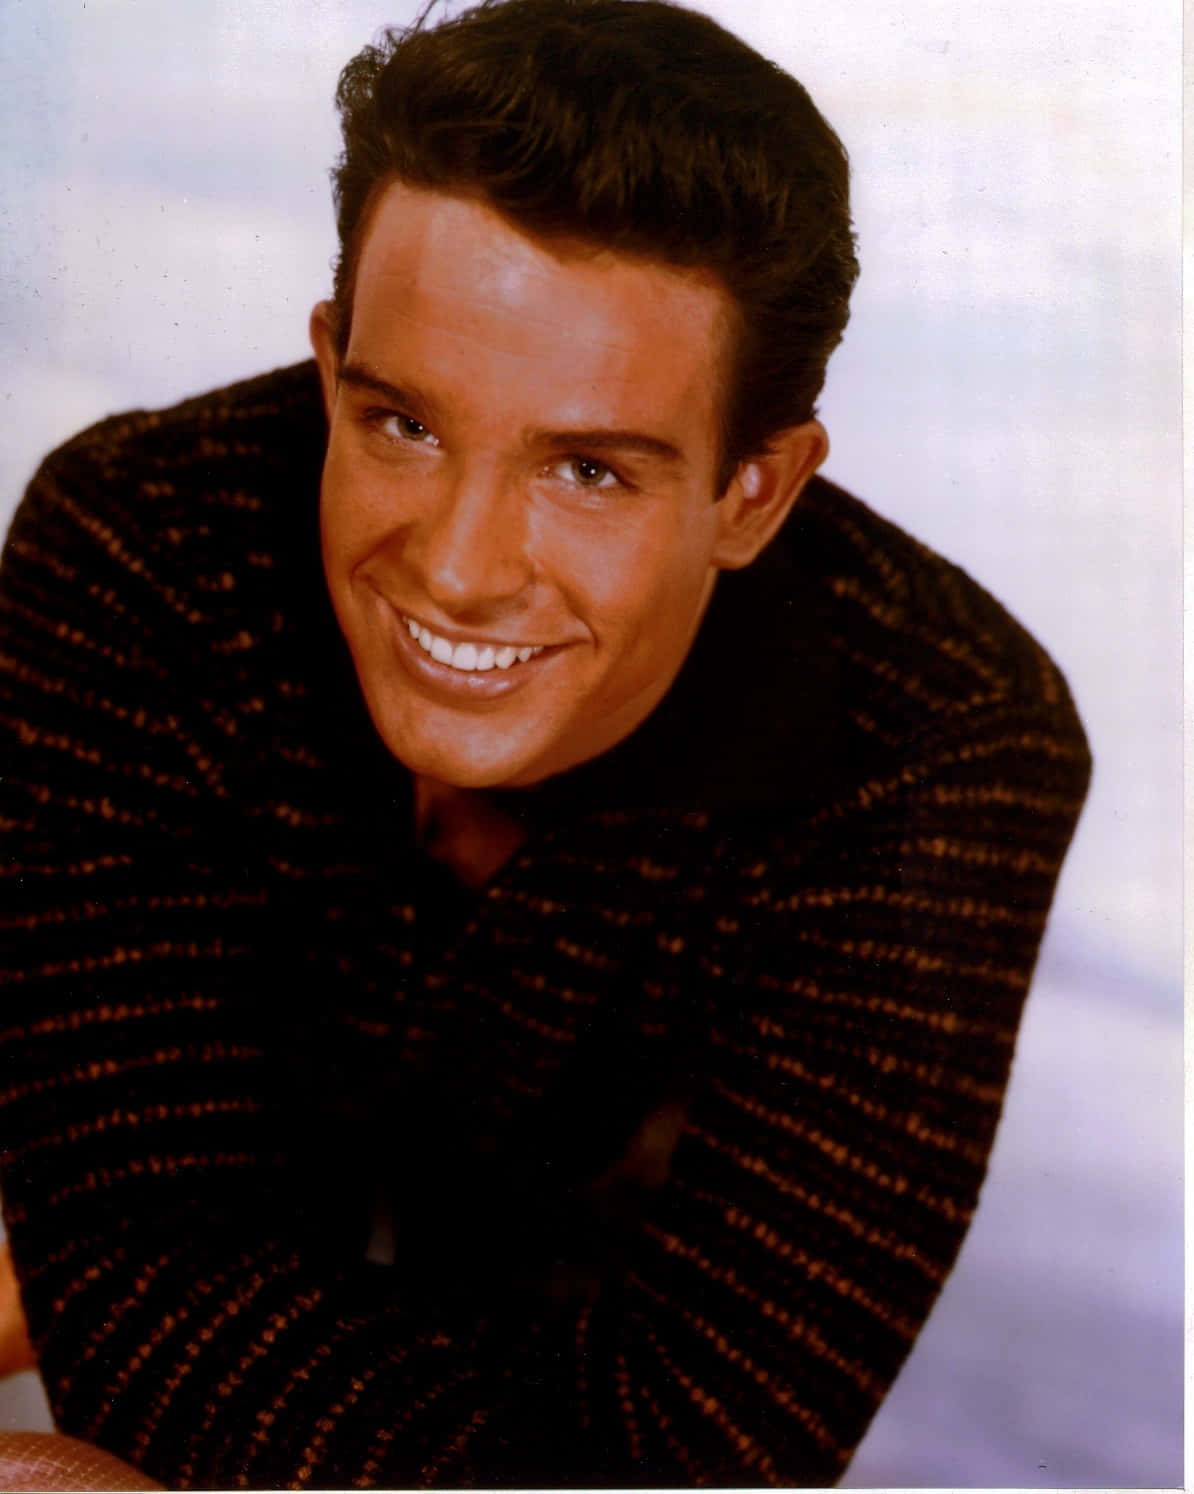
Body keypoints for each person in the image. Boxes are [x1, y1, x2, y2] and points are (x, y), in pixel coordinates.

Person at [0, 0, 1090, 1486]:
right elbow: (131, 1288)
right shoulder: (140, 543)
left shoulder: (940, 735)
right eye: (402, 425)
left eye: (587, 469)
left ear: (754, 492)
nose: (454, 567)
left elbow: (700, 1455)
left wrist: (180, 1300)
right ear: (329, 367)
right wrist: (141, 1288)